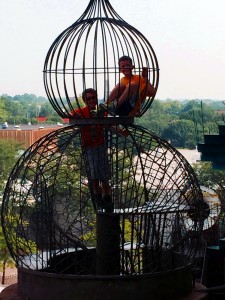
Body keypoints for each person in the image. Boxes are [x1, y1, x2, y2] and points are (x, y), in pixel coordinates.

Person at [71, 88, 113, 213]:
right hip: (88, 147)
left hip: (100, 146)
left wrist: (120, 130)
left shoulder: (102, 112)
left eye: (93, 97)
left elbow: (108, 124)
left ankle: (107, 200)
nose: (91, 100)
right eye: (88, 98)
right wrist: (76, 117)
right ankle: (98, 201)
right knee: (94, 177)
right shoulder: (81, 112)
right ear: (84, 100)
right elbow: (70, 115)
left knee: (104, 177)